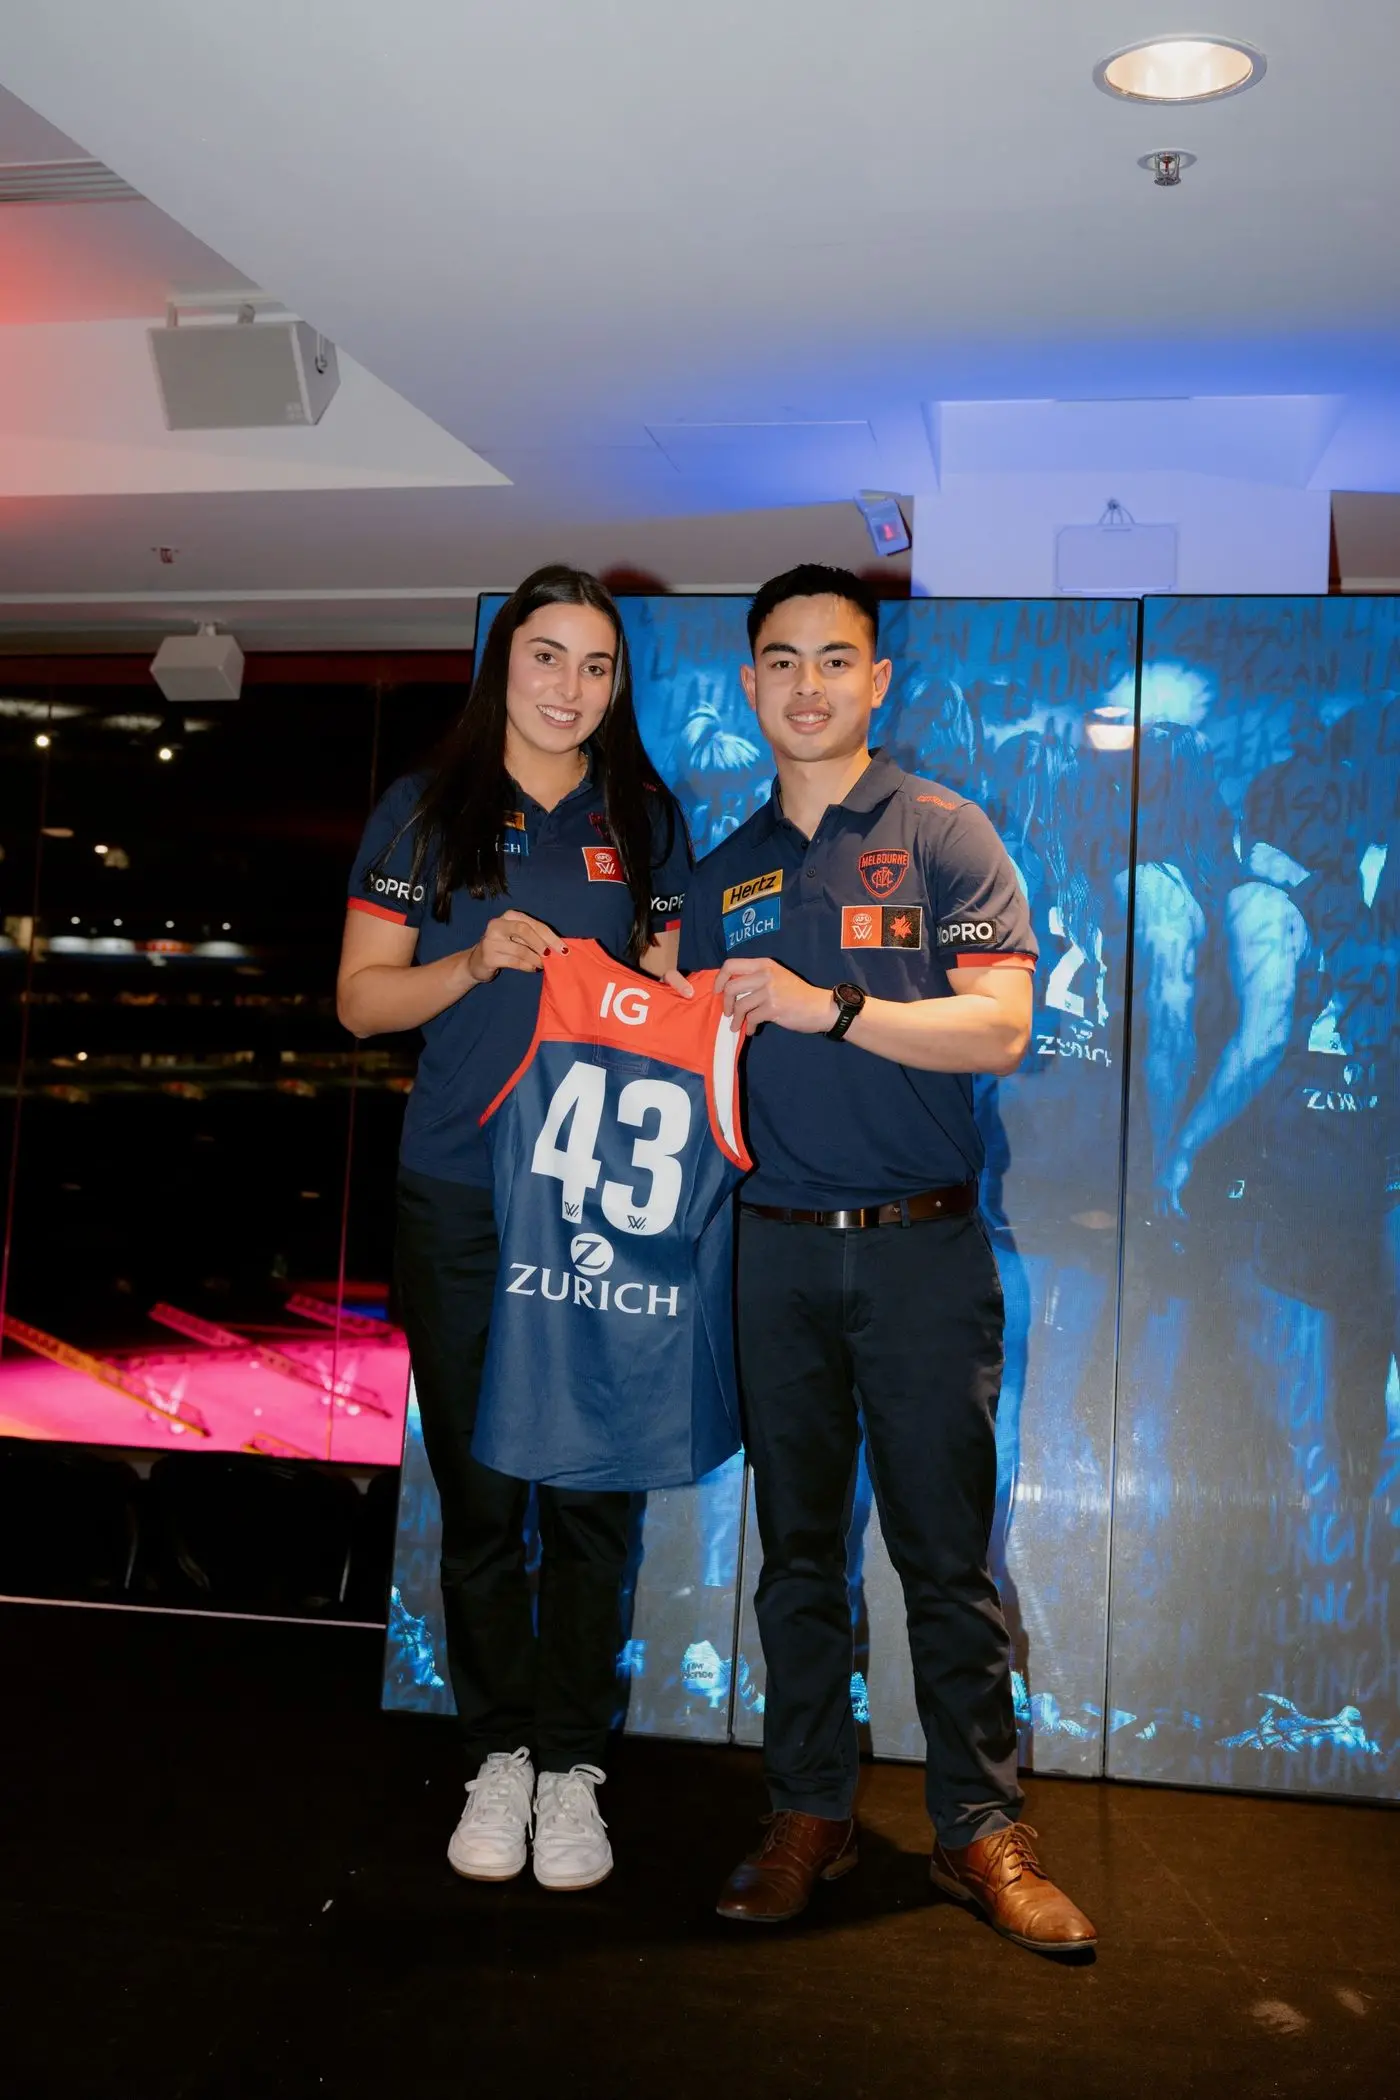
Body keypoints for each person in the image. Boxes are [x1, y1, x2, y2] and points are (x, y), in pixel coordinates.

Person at [675, 563, 1095, 1955]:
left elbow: (999, 1028)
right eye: (781, 662)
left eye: (835, 661)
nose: (808, 686)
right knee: (796, 1561)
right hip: (773, 1259)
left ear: (878, 679)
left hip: (922, 1255)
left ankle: (981, 1833)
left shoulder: (944, 832)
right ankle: (810, 1814)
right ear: (750, 686)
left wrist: (830, 1007)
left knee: (943, 1561)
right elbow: (668, 1040)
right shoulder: (721, 865)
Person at [337, 564, 690, 1892]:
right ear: (503, 664)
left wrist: (671, 980)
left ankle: (570, 1765)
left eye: (597, 667)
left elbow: (673, 992)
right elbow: (362, 1004)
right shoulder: (425, 812)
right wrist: (473, 962)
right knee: (485, 1492)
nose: (571, 688)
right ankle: (497, 1752)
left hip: (601, 1198)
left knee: (593, 1492)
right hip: (459, 1195)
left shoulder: (644, 817)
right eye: (548, 658)